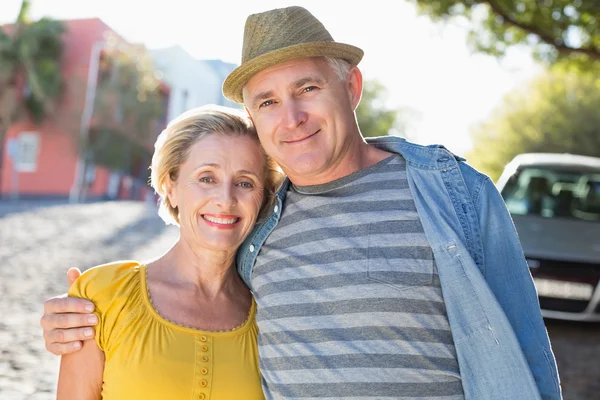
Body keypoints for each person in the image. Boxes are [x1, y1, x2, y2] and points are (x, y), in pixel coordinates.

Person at [42, 6, 562, 400]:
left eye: (307, 87)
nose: (290, 117)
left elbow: (526, 357)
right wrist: (80, 316)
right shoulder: (261, 226)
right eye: (267, 101)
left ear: (351, 87)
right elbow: (188, 286)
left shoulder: (454, 195)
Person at [55, 106, 281, 399]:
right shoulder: (103, 296)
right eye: (206, 178)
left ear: (262, 197)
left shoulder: (272, 319)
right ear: (170, 187)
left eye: (245, 183)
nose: (225, 200)